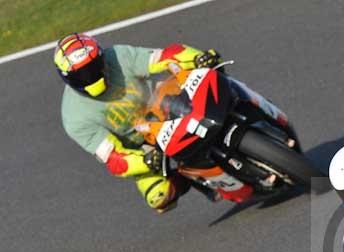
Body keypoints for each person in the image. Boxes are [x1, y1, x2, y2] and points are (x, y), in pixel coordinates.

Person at [55, 33, 222, 213]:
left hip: (163, 104)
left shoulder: (118, 56)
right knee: (158, 197)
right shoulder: (73, 117)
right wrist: (145, 161)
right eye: (82, 75)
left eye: (95, 66)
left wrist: (196, 58)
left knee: (209, 71)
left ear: (102, 56)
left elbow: (162, 57)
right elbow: (113, 157)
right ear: (67, 78)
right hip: (142, 146)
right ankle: (190, 175)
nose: (92, 76)